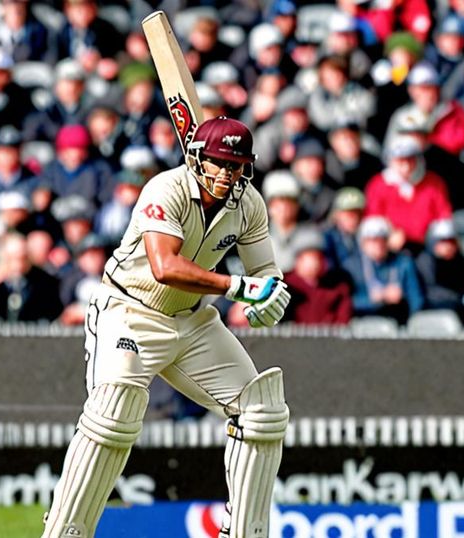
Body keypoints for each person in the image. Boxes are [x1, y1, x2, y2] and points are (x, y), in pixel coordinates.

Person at [41, 117, 290, 538]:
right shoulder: (165, 188)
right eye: (219, 163)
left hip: (192, 320)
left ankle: (247, 532)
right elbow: (165, 266)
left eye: (236, 166)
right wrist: (236, 287)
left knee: (262, 411)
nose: (228, 175)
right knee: (114, 412)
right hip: (130, 310)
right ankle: (67, 531)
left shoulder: (248, 204)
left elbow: (265, 270)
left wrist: (270, 297)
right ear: (198, 158)